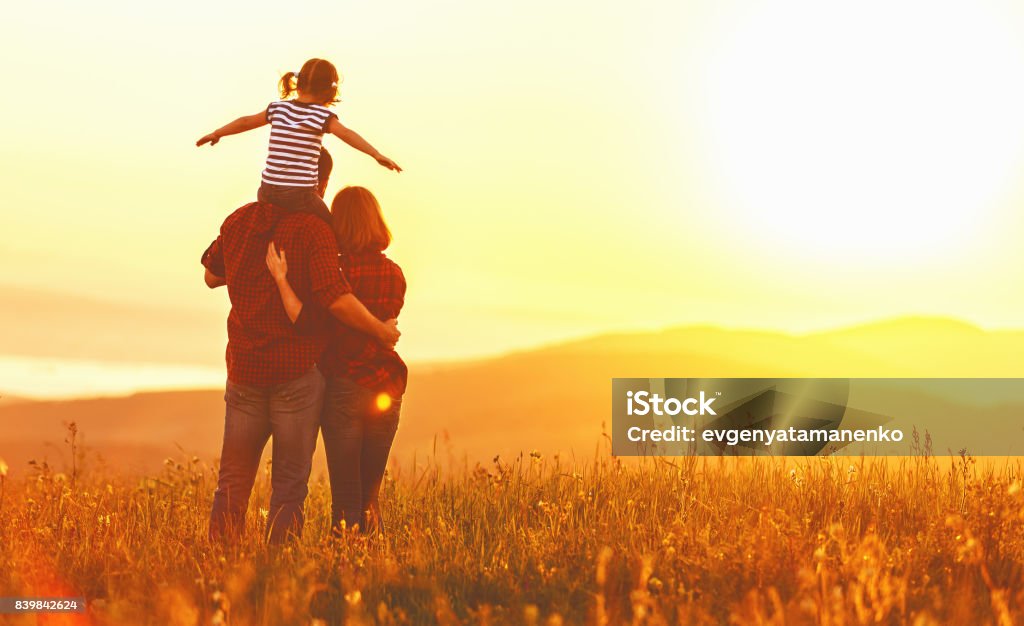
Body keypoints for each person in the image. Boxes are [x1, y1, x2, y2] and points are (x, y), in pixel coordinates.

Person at [201, 189, 400, 545]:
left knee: (236, 478)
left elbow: (212, 277)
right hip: (362, 383)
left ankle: (223, 559)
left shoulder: (241, 221)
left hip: (276, 374)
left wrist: (267, 274)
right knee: (322, 487)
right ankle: (353, 564)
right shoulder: (384, 269)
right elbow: (353, 306)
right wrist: (381, 331)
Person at [266, 186, 406, 534]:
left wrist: (282, 280)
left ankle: (344, 569)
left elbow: (311, 320)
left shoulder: (336, 274)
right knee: (370, 495)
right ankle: (376, 568)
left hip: (344, 386)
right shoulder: (395, 274)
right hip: (386, 386)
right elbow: (388, 320)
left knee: (346, 496)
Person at [195, 58, 401, 223]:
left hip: (267, 191)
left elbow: (245, 121)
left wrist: (218, 133)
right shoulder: (321, 116)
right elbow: (346, 134)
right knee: (329, 227)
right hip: (299, 195)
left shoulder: (278, 108)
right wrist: (375, 154)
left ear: (298, 83)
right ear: (329, 90)